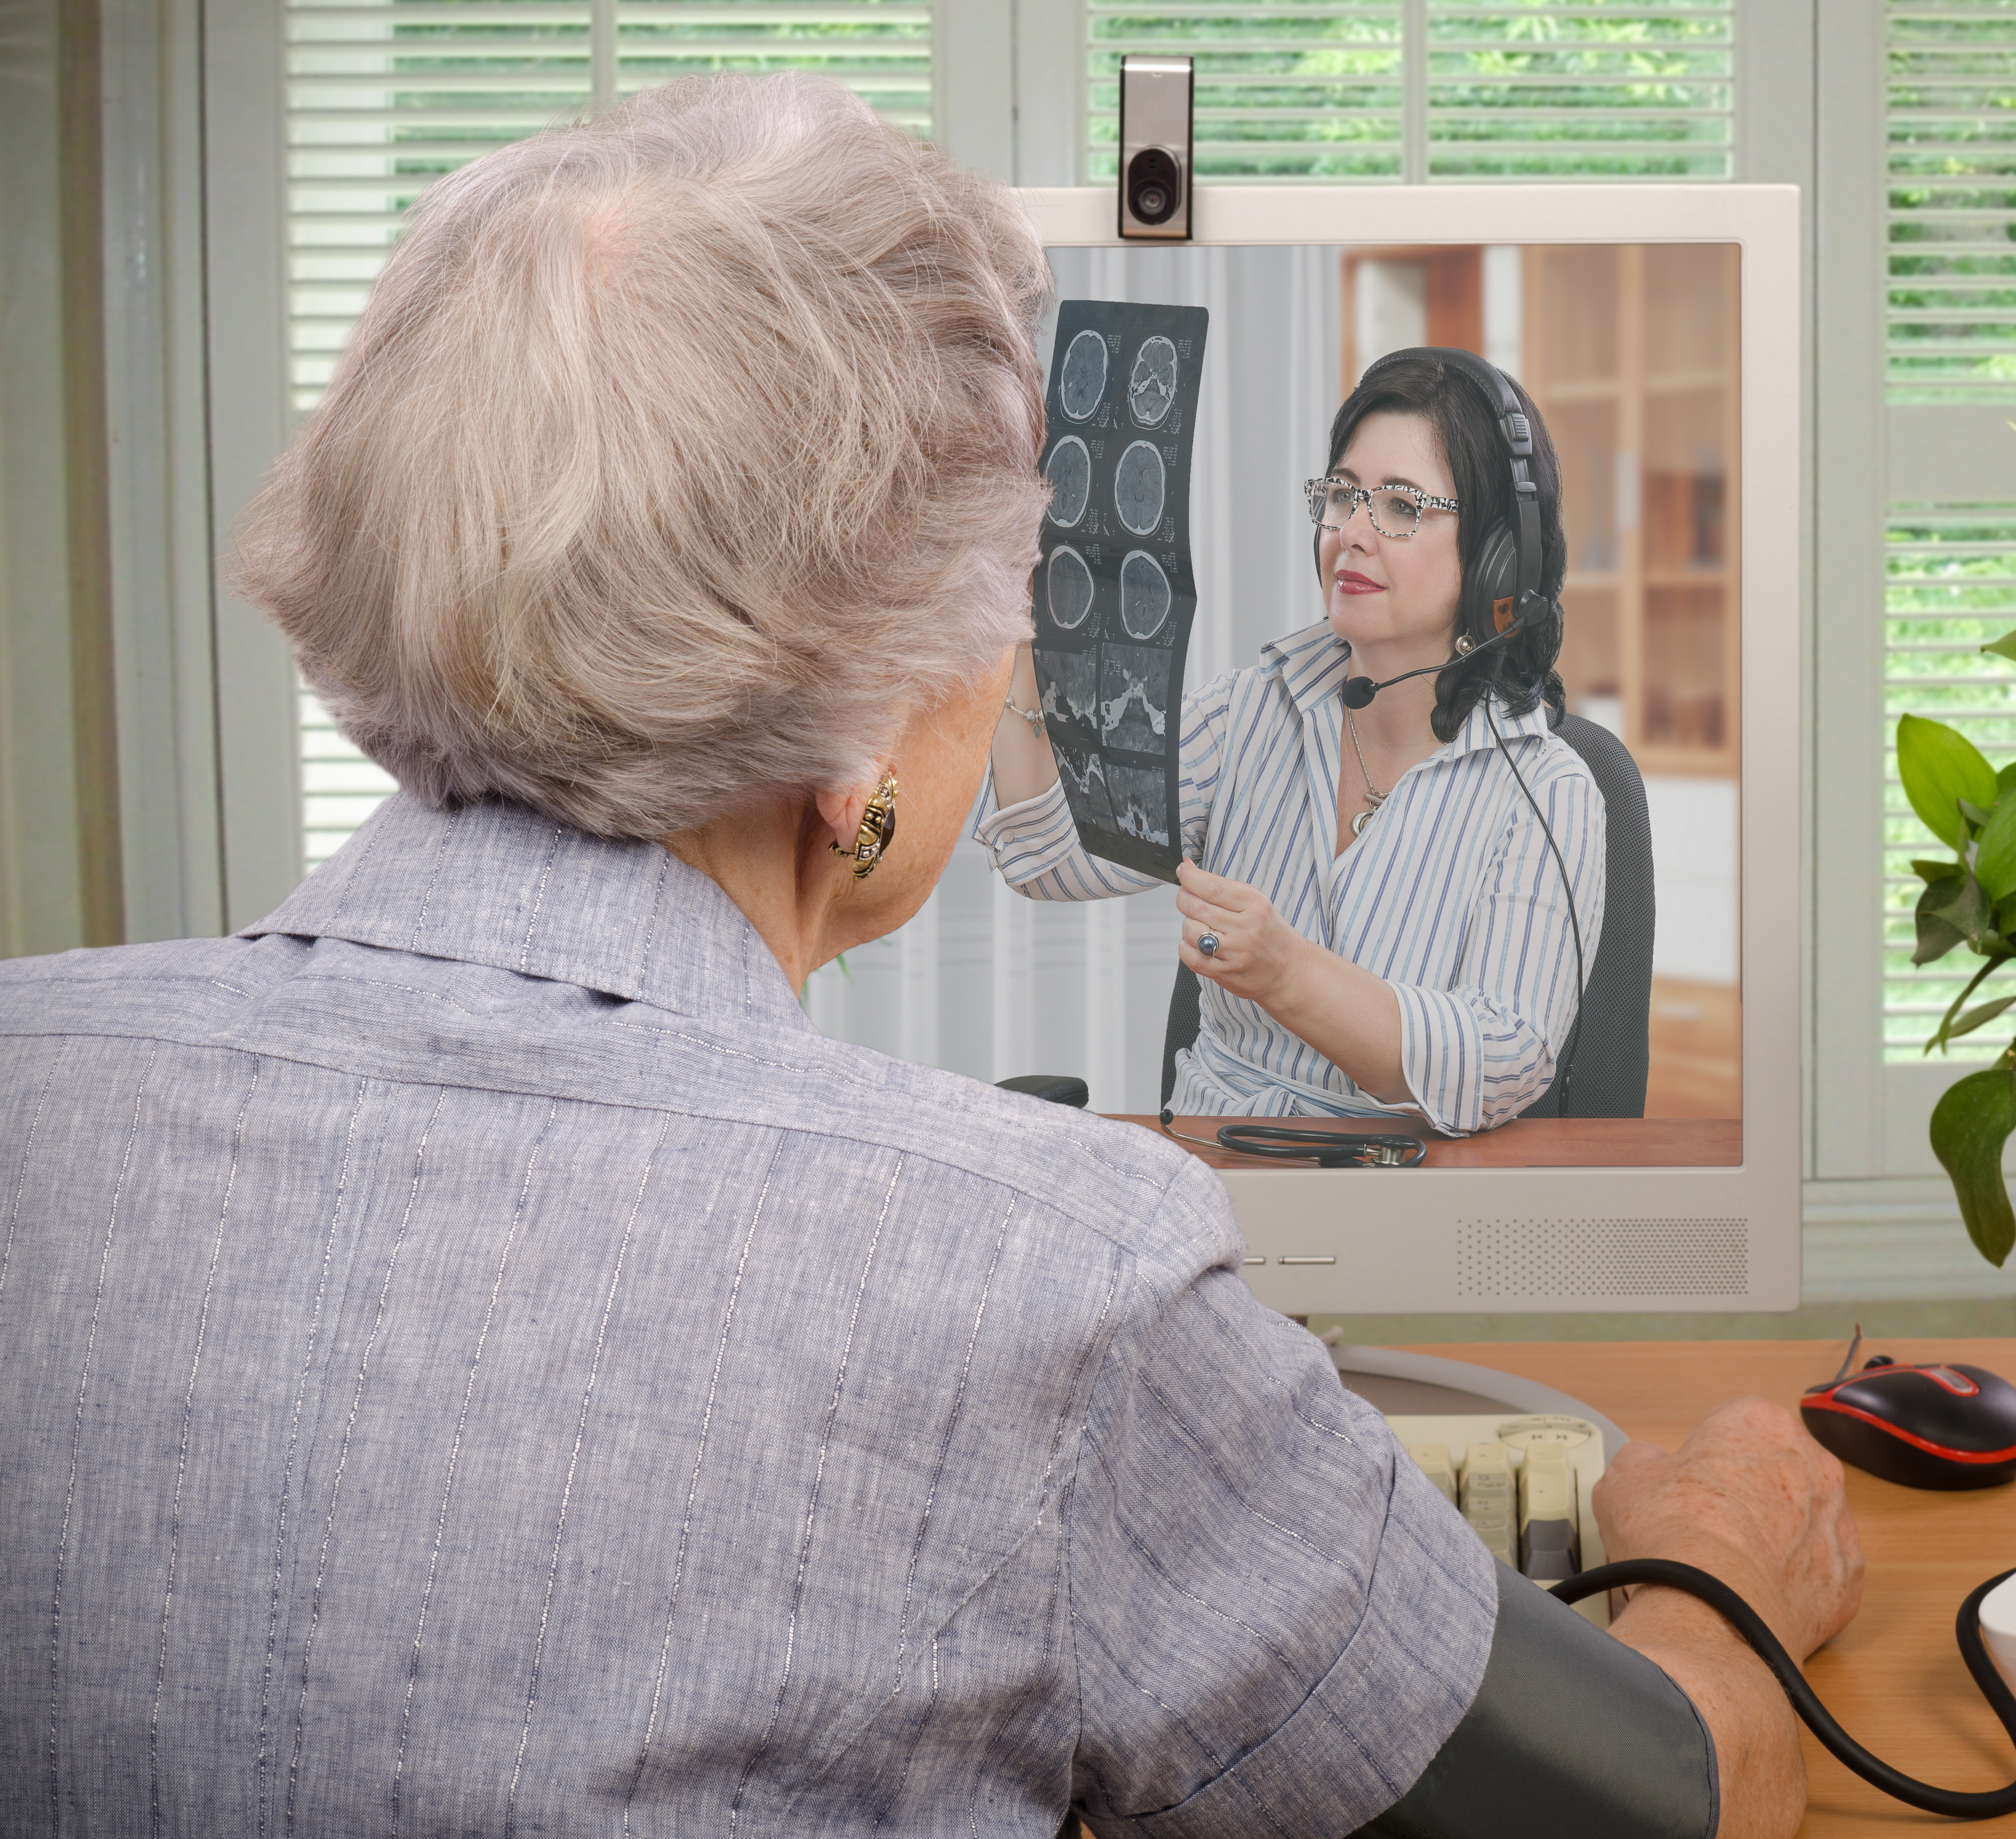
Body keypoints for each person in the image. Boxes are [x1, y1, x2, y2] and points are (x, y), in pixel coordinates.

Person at [0, 74, 1860, 1839]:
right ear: (871, 721)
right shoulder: (1045, 1289)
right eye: (991, 593)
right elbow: (1652, 1804)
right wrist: (1710, 1564)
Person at [980, 349, 1608, 1135]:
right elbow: (1046, 856)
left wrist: (1288, 973)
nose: (1351, 532)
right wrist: (1022, 632)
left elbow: (1501, 1061)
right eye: (1341, 496)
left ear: (1495, 560)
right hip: (1213, 1181)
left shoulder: (1548, 793)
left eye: (1403, 508)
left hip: (1399, 1200)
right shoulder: (1252, 712)